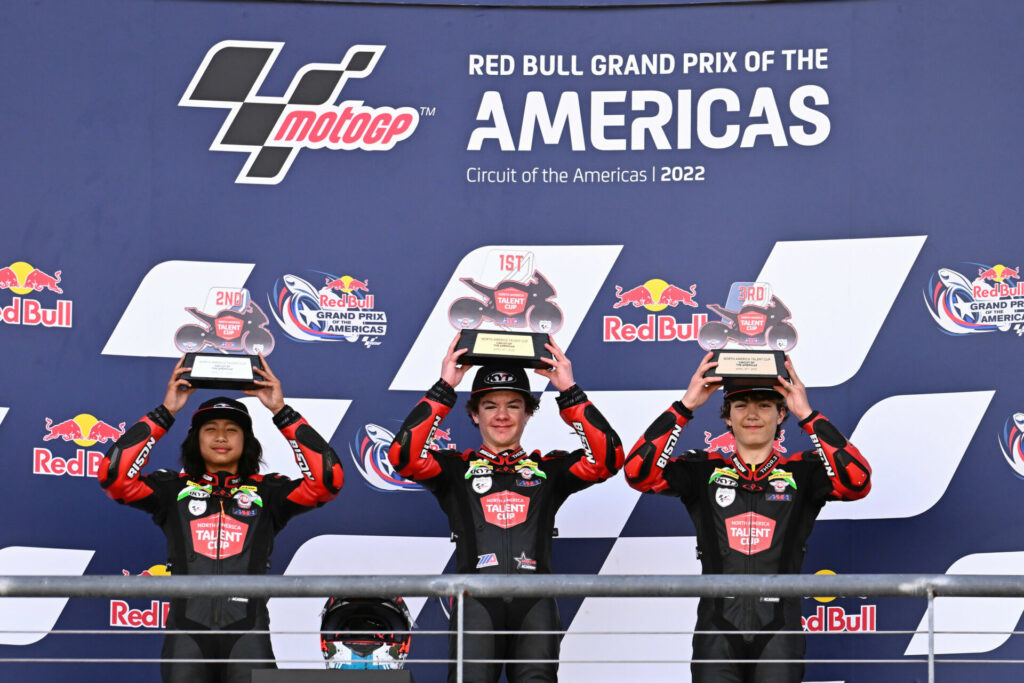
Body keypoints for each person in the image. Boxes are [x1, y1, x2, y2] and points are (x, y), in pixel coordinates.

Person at [388, 334, 624, 682]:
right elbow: (403, 457)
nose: (501, 416)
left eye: (513, 405)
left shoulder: (548, 470)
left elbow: (608, 459)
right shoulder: (455, 469)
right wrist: (445, 387)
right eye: (489, 406)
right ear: (473, 414)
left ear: (528, 413)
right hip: (475, 603)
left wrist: (569, 390)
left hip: (536, 605)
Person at [624, 352, 871, 683]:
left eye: (765, 405)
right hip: (716, 632)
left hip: (780, 632)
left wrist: (808, 414)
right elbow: (638, 474)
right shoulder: (702, 470)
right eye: (741, 405)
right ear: (726, 417)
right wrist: (684, 408)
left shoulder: (804, 470)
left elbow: (858, 482)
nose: (752, 414)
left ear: (782, 413)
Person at [99, 356, 344, 683]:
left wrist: (280, 411)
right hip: (186, 637)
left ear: (246, 442)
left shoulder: (268, 492)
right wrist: (166, 411)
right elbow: (114, 478)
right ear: (196, 440)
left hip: (249, 635)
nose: (221, 437)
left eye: (232, 430)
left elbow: (328, 481)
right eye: (210, 429)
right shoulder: (173, 489)